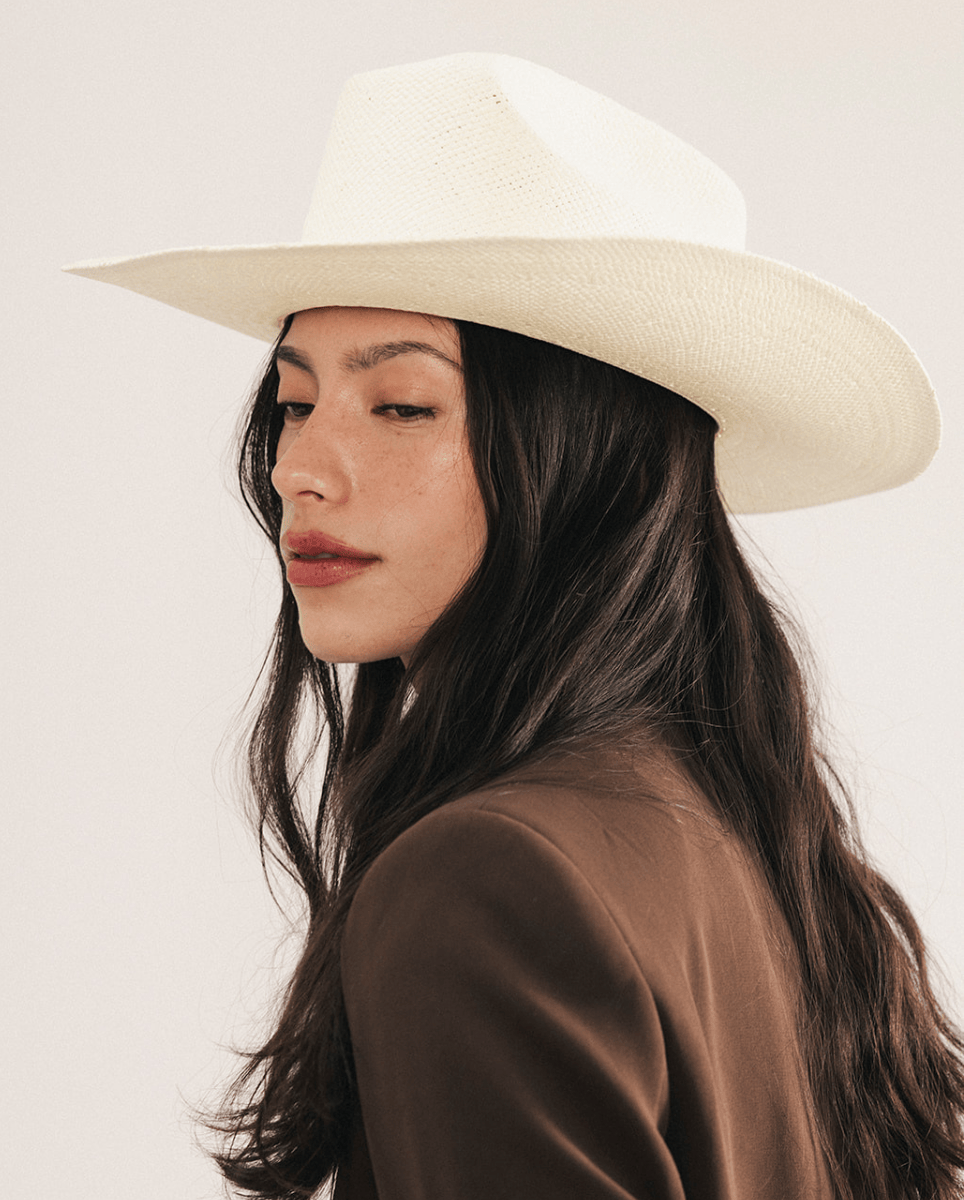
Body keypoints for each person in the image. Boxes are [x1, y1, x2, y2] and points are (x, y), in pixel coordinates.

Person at [65, 53, 964, 1200]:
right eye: (294, 403)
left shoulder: (487, 879)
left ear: (584, 454)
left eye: (399, 404)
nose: (300, 469)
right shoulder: (737, 832)